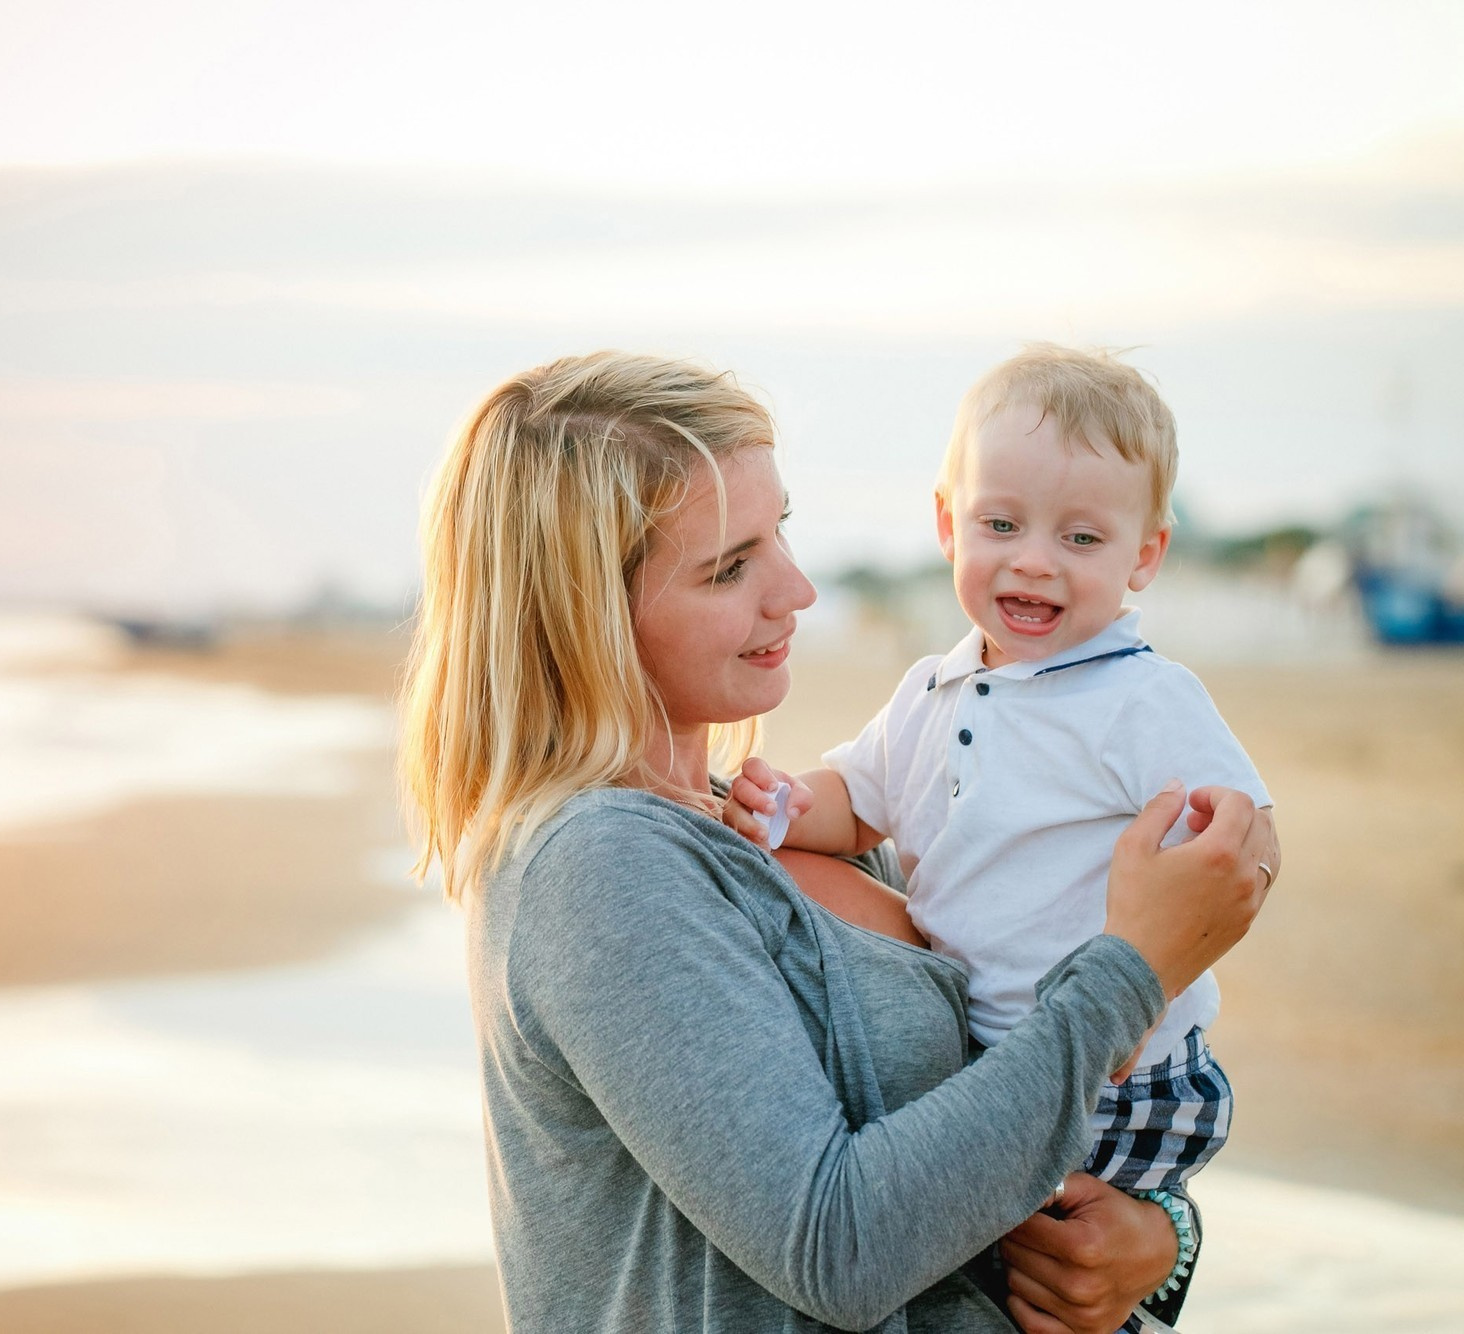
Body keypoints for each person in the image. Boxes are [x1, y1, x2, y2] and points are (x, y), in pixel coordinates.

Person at [400, 350, 1275, 1334]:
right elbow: (839, 1246)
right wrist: (1133, 966)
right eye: (730, 566)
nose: (797, 590)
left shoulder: (771, 822)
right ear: (585, 616)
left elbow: (1006, 1135)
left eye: (779, 530)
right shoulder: (598, 867)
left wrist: (1153, 1240)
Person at [724, 348, 1275, 1236]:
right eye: (1001, 525)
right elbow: (859, 801)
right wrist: (786, 804)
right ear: (948, 524)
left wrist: (1147, 977)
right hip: (990, 1059)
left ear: (1146, 554)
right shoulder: (930, 692)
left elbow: (1244, 847)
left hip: (1123, 1076)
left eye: (1082, 538)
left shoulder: (1141, 697)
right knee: (991, 1262)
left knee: (1064, 1273)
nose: (1035, 562)